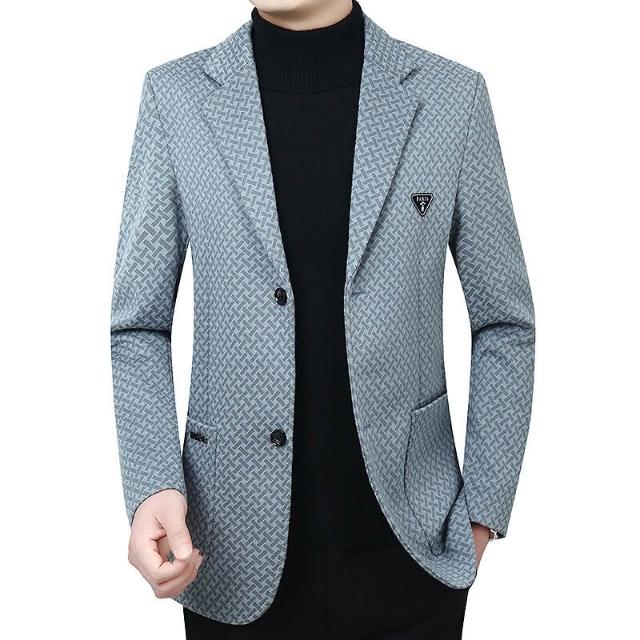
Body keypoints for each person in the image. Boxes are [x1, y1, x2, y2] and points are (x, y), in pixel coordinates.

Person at [110, 1, 535, 638]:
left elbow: (505, 322)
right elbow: (137, 325)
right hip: (227, 558)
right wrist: (153, 486)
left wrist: (480, 514)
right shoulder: (177, 98)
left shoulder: (451, 99)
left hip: (412, 558)